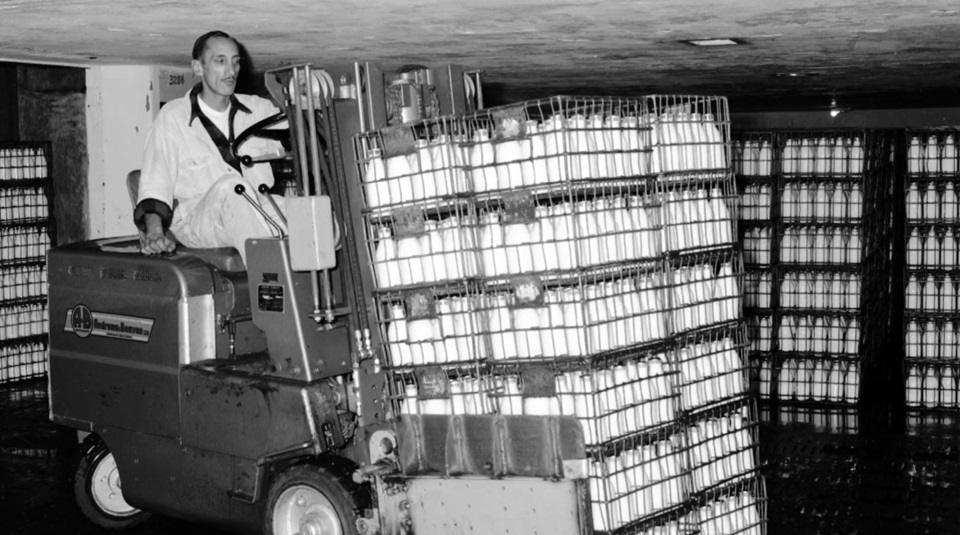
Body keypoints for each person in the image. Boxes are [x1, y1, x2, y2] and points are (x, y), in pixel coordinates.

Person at [135, 30, 285, 264]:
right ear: (197, 68)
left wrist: (304, 100)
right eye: (220, 61)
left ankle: (314, 296)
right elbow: (156, 183)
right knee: (233, 187)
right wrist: (154, 233)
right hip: (200, 222)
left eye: (235, 62)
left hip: (257, 208)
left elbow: (299, 138)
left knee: (319, 216)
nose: (231, 71)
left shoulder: (259, 109)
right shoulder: (173, 117)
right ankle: (268, 285)